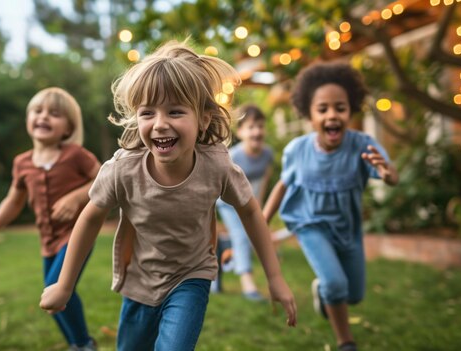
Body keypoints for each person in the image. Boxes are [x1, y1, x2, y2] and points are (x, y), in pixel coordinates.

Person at [39, 41, 297, 351]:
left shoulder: (216, 165)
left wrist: (275, 277)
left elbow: (250, 211)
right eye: (148, 113)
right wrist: (65, 284)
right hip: (140, 280)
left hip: (192, 275)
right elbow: (91, 217)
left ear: (203, 118)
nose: (160, 124)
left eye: (175, 111)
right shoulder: (124, 169)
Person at [262, 62, 399, 351]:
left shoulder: (363, 145)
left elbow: (390, 174)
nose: (332, 115)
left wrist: (387, 174)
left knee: (354, 294)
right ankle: (345, 341)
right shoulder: (298, 150)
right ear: (309, 115)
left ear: (351, 110)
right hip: (310, 225)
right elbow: (282, 186)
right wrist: (260, 222)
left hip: (348, 229)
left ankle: (324, 293)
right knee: (337, 284)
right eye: (322, 109)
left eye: (340, 107)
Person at [0, 87, 101, 351]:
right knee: (51, 297)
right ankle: (76, 344)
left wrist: (76, 197)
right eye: (38, 111)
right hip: (48, 241)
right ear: (28, 119)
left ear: (68, 127)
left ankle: (84, 344)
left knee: (56, 287)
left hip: (77, 234)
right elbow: (14, 200)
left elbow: (104, 177)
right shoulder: (22, 163)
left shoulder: (75, 155)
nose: (44, 117)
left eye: (54, 114)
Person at [213, 104, 274, 301]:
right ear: (240, 132)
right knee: (241, 235)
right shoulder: (235, 156)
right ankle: (248, 285)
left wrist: (260, 208)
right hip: (227, 202)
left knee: (246, 237)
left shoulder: (267, 155)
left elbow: (263, 181)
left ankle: (221, 249)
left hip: (248, 201)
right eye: (250, 127)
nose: (256, 131)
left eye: (260, 126)